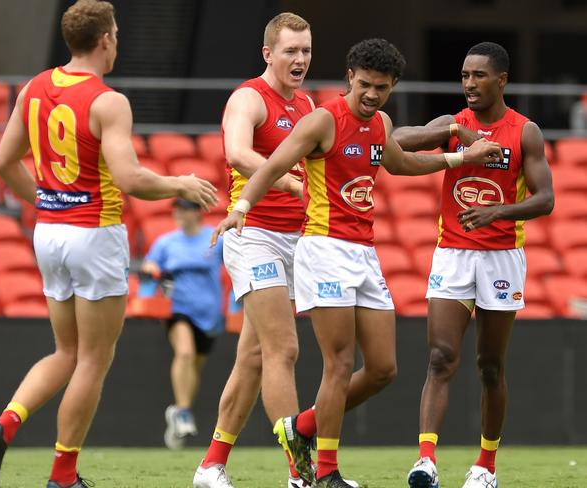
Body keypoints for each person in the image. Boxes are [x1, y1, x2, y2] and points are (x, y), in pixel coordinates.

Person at [213, 38, 502, 488]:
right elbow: (271, 167)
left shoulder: (381, 122)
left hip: (364, 253)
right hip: (323, 249)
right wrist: (241, 208)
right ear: (350, 77)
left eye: (382, 88)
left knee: (384, 368)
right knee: (340, 362)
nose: (371, 94)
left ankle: (301, 427)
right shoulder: (322, 120)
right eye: (365, 84)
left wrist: (461, 157)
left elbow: (401, 164)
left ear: (392, 87)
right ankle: (327, 472)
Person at [0, 1, 216, 487]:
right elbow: (130, 179)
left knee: (65, 351)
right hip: (95, 233)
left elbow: (3, 162)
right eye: (118, 34)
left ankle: (3, 425)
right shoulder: (109, 101)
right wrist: (179, 183)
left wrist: (45, 206)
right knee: (92, 360)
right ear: (105, 39)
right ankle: (63, 476)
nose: (118, 42)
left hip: (50, 234)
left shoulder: (35, 87)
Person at [392, 42, 554, 488]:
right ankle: (426, 460)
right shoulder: (453, 124)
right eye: (464, 75)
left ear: (501, 80)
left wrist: (497, 213)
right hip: (454, 254)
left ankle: (485, 466)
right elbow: (394, 143)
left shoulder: (525, 132)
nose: (468, 83)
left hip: (502, 256)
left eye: (478, 75)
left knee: (489, 366)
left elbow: (546, 199)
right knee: (441, 357)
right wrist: (456, 139)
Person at [192, 12, 313, 488]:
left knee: (254, 356)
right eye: (290, 51)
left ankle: (211, 465)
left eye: (305, 50)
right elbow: (238, 153)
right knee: (284, 348)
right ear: (268, 54)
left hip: (295, 240)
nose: (300, 59)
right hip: (254, 235)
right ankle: (299, 473)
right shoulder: (249, 97)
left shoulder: (305, 104)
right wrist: (286, 182)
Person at [139, 198, 225, 450]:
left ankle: (177, 411)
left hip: (209, 313)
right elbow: (149, 264)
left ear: (197, 212)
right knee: (185, 353)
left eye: (185, 209)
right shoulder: (166, 242)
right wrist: (152, 269)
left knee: (194, 368)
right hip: (178, 309)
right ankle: (185, 412)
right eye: (177, 210)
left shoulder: (214, 238)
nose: (179, 214)